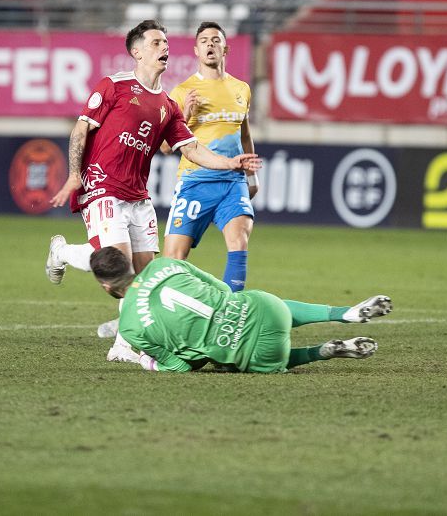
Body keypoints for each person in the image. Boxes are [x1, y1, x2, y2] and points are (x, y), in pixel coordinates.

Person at [45, 20, 262, 361]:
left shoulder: (167, 105)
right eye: (157, 42)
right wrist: (75, 175)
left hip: (138, 197)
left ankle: (122, 347)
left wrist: (230, 163)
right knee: (120, 268)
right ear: (137, 51)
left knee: (146, 282)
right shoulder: (114, 86)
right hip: (103, 187)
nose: (165, 47)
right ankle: (61, 253)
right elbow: (80, 130)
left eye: (166, 42)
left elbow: (191, 149)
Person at [90, 246, 392, 373]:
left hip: (254, 351)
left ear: (107, 287)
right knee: (260, 306)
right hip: (267, 308)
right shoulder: (164, 263)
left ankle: (321, 351)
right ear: (129, 262)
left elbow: (181, 367)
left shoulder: (129, 326)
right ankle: (343, 313)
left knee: (231, 359)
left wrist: (147, 362)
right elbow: (222, 289)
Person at [161, 22, 256, 292]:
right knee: (174, 259)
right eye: (204, 40)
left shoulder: (242, 89)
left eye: (216, 40)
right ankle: (153, 312)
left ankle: (230, 313)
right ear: (196, 50)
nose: (210, 44)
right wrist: (187, 115)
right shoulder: (182, 92)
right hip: (195, 181)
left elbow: (245, 134)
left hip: (232, 182)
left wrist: (252, 175)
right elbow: (166, 148)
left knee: (239, 242)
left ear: (226, 48)